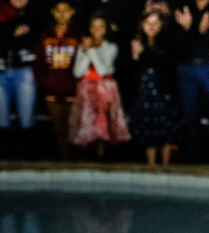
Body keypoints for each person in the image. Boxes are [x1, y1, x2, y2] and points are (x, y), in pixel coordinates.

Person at [69, 14, 130, 156]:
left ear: (105, 29)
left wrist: (91, 50)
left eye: (101, 27)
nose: (97, 30)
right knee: (87, 123)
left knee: (102, 124)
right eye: (94, 26)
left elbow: (103, 70)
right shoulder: (82, 47)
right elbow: (77, 72)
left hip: (104, 89)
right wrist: (85, 51)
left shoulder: (111, 47)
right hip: (86, 90)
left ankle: (103, 156)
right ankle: (87, 157)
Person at [128, 9, 182, 166]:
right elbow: (130, 72)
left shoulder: (168, 43)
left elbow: (166, 65)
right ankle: (151, 164)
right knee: (148, 129)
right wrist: (135, 57)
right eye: (148, 23)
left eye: (155, 23)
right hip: (144, 94)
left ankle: (166, 165)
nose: (151, 27)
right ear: (142, 25)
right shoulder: (136, 43)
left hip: (163, 92)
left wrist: (143, 53)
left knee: (166, 129)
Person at [33, 0, 82, 160]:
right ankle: (64, 160)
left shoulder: (78, 35)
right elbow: (37, 62)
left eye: (66, 10)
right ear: (53, 13)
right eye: (58, 11)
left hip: (73, 89)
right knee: (58, 128)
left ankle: (77, 160)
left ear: (72, 12)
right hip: (51, 89)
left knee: (74, 127)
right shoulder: (45, 35)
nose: (62, 15)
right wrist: (44, 82)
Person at [0, 0, 39, 156]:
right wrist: (11, 33)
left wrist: (6, 35)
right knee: (1, 119)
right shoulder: (2, 13)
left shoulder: (33, 17)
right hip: (1, 73)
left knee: (26, 118)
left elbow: (31, 41)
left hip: (23, 72)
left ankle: (26, 158)